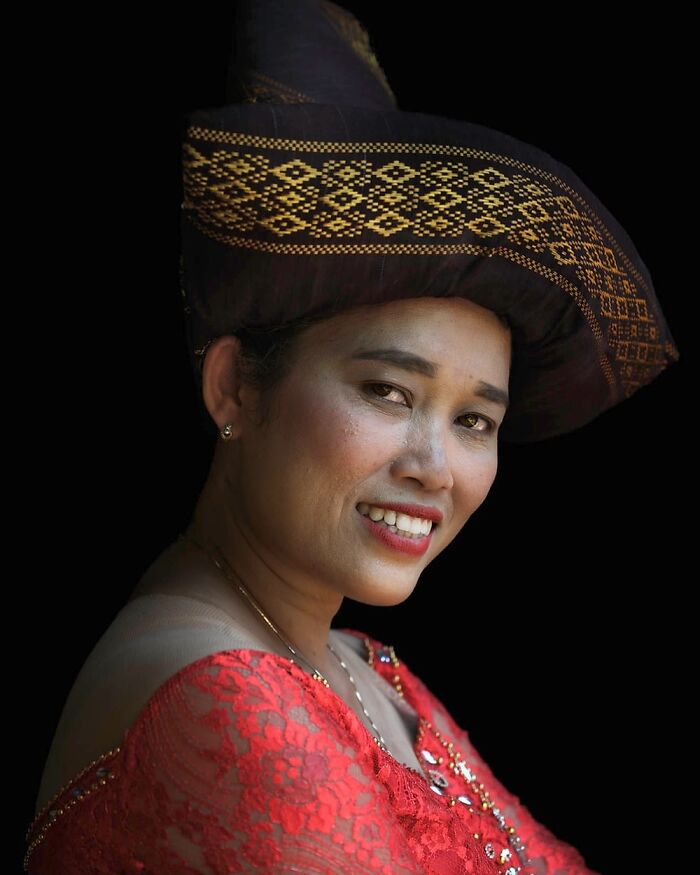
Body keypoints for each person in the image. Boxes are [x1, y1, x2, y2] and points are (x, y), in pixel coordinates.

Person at [25, 1, 679, 873]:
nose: (435, 467)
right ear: (235, 387)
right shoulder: (226, 690)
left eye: (475, 419)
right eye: (387, 391)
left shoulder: (361, 668)